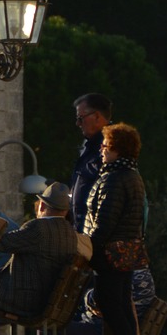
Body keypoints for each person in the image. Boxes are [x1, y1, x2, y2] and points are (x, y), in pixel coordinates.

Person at [0, 181, 80, 326]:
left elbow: (1, 243)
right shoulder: (70, 234)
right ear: (65, 210)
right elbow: (37, 260)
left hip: (22, 300)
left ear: (42, 205)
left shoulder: (38, 228)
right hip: (45, 300)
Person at [83, 121, 148, 335]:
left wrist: (89, 246)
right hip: (127, 251)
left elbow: (105, 220)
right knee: (122, 300)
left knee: (108, 301)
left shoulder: (113, 178)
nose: (102, 150)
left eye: (106, 147)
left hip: (109, 253)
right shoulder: (133, 176)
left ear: (118, 149)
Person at [69, 93, 112, 234]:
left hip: (95, 234)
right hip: (84, 230)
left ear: (97, 116)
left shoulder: (112, 147)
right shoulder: (89, 147)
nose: (78, 124)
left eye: (81, 119)